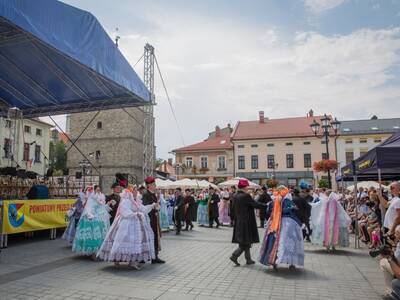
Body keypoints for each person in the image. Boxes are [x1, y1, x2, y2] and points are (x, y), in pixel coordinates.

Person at [97, 186, 157, 270]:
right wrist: (135, 214)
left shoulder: (136, 201)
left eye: (136, 191)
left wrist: (152, 206)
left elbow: (143, 209)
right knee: (121, 241)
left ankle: (132, 262)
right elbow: (124, 211)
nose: (137, 192)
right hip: (126, 223)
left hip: (136, 223)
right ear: (131, 192)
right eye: (135, 190)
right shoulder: (126, 200)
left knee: (135, 243)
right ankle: (116, 259)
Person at [259, 185, 304, 270]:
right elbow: (293, 210)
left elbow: (268, 212)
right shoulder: (287, 201)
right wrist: (292, 208)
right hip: (287, 223)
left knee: (274, 241)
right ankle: (291, 262)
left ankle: (273, 261)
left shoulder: (273, 200)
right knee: (290, 241)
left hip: (274, 224)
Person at [230, 179, 266, 266]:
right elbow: (255, 204)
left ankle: (248, 259)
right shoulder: (246, 196)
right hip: (246, 221)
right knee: (245, 242)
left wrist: (233, 219)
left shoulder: (234, 195)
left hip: (238, 220)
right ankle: (234, 255)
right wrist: (266, 205)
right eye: (247, 187)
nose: (248, 188)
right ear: (245, 187)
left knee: (246, 241)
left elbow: (231, 209)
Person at [72, 185, 110, 258]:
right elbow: (88, 207)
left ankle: (99, 252)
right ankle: (94, 253)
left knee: (101, 235)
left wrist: (108, 204)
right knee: (94, 235)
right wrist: (90, 215)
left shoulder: (102, 197)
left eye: (99, 190)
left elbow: (103, 207)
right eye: (97, 190)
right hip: (93, 217)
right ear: (94, 190)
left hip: (101, 217)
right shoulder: (92, 198)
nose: (98, 191)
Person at [141, 176, 165, 264]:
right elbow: (144, 207)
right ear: (149, 185)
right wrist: (153, 206)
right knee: (149, 237)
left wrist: (157, 207)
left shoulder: (153, 194)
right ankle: (145, 257)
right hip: (149, 219)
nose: (155, 186)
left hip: (155, 217)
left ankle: (155, 256)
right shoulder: (146, 194)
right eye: (153, 184)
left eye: (154, 184)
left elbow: (156, 205)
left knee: (155, 236)